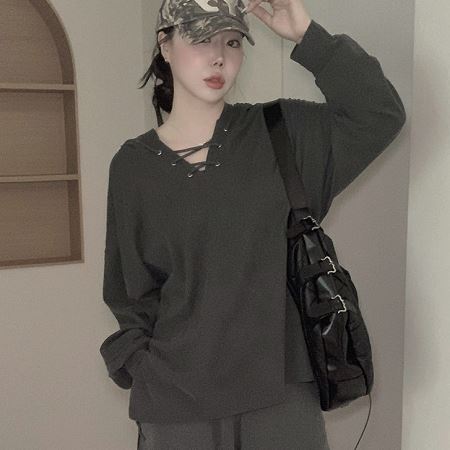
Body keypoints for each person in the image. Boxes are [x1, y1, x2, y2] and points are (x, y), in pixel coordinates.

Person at [99, 0, 406, 448]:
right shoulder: (133, 166)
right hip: (176, 406)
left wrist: (307, 34)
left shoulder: (282, 132)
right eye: (201, 39)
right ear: (165, 45)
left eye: (232, 42)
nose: (218, 57)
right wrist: (144, 367)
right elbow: (129, 292)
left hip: (281, 399)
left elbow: (379, 114)